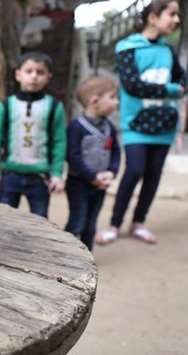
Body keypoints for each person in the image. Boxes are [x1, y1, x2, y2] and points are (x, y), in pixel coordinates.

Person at [96, 0, 186, 245]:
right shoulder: (127, 47)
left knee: (153, 175)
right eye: (172, 14)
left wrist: (176, 88)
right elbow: (133, 86)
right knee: (134, 170)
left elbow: (183, 81)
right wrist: (171, 90)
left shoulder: (168, 50)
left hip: (165, 125)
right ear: (153, 17)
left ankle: (139, 222)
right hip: (136, 124)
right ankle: (114, 224)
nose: (177, 19)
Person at [0, 51, 67, 218]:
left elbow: (59, 142)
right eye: (29, 71)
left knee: (40, 222)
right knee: (3, 221)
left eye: (40, 72)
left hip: (40, 177)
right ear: (18, 75)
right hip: (10, 175)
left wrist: (57, 174)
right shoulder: (6, 106)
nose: (34, 76)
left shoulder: (54, 107)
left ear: (48, 77)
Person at [64, 77, 121, 251]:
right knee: (77, 223)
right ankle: (65, 253)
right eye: (112, 97)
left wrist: (111, 171)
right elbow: (72, 156)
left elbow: (116, 152)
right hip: (79, 184)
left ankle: (87, 257)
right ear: (94, 100)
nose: (116, 102)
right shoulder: (76, 127)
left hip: (100, 186)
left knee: (91, 224)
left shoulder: (110, 127)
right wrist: (92, 177)